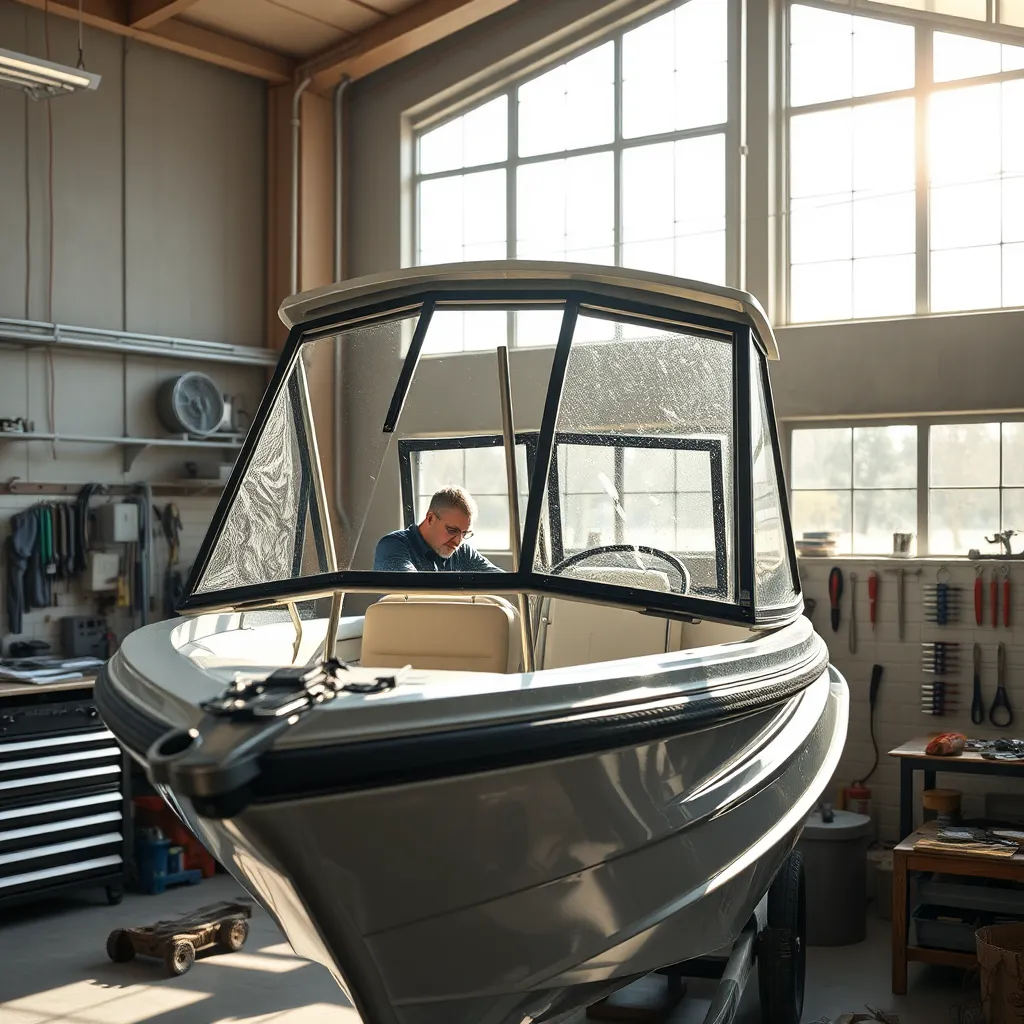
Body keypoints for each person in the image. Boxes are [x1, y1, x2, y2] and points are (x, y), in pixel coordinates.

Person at [373, 485, 504, 572]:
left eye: (464, 534)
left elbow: (502, 580)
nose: (458, 542)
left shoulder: (463, 552)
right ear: (430, 518)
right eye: (452, 530)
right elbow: (409, 589)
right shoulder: (393, 545)